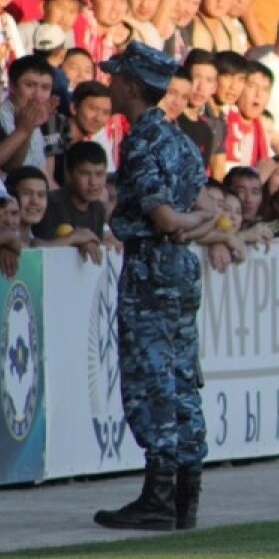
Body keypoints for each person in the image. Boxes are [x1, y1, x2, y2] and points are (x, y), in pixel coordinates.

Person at [94, 42, 216, 532]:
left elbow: (164, 217)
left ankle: (159, 496)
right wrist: (190, 227)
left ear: (130, 84)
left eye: (116, 78)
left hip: (151, 266)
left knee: (152, 380)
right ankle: (186, 493)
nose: (111, 85)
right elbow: (207, 214)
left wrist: (178, 225)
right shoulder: (181, 140)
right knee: (182, 376)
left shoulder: (143, 140)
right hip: (180, 266)